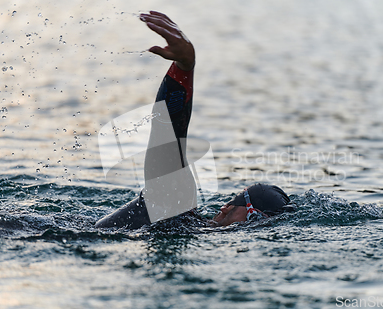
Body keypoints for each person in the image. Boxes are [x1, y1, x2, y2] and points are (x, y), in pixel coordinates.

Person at [95, 11, 293, 230]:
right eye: (231, 201)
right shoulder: (179, 211)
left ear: (252, 213)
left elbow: (168, 137)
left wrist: (185, 66)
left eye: (234, 201)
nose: (225, 207)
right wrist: (184, 66)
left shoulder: (179, 212)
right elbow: (167, 139)